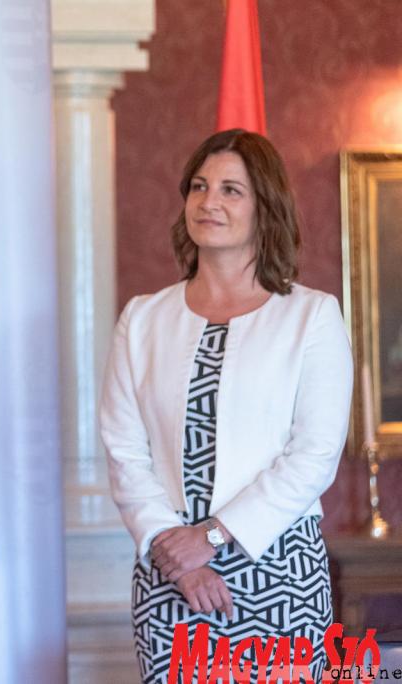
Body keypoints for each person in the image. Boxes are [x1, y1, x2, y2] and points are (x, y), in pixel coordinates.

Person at [99, 129, 352, 683]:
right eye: (199, 186)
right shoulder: (142, 319)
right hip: (169, 573)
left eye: (231, 190)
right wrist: (177, 555)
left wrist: (211, 537)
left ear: (265, 206)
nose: (208, 201)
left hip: (279, 572)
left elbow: (315, 454)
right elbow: (123, 450)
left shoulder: (311, 316)